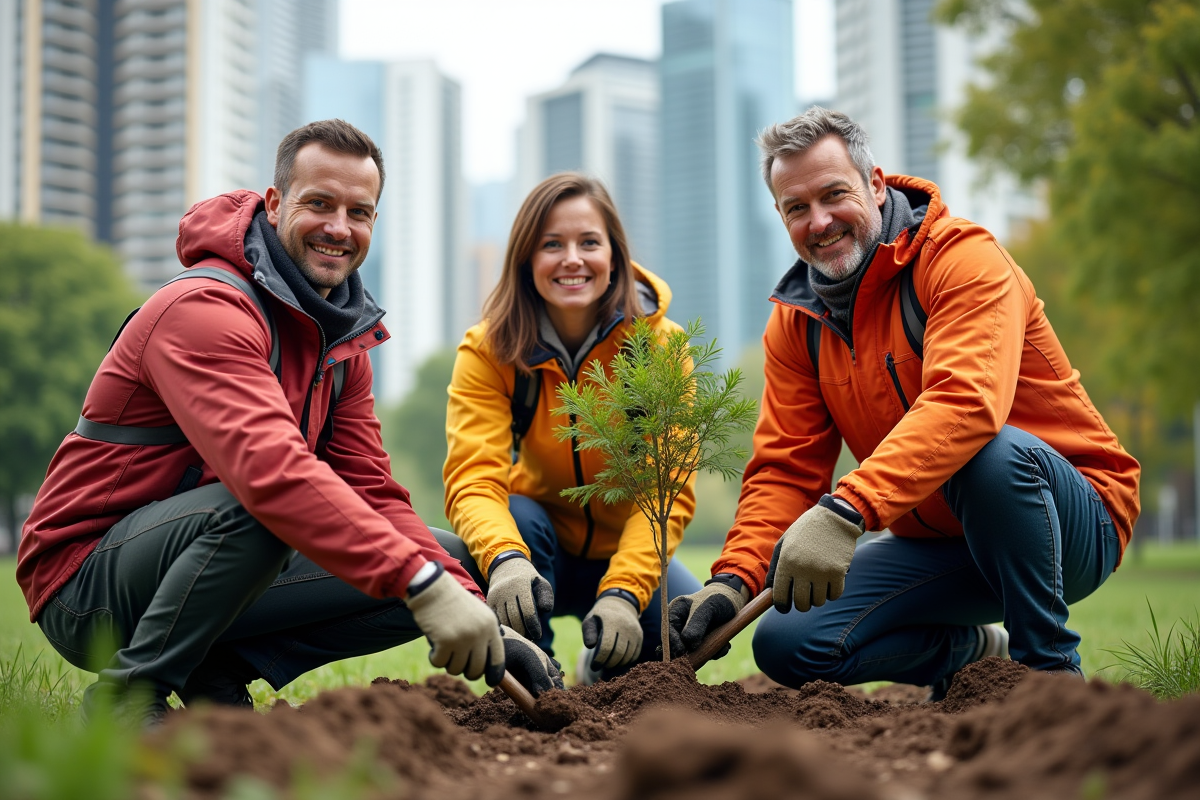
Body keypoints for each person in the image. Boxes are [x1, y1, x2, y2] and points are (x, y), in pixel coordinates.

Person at [16, 120, 560, 726]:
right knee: (273, 510)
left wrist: (460, 594)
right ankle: (126, 700)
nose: (339, 228)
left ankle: (212, 673)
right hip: (87, 583)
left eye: (360, 212)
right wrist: (420, 583)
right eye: (319, 204)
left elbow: (372, 492)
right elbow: (271, 473)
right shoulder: (203, 310)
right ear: (275, 205)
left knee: (442, 553)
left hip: (201, 555)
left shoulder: (340, 344)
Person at [667, 107, 1140, 696]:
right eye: (796, 208)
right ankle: (968, 657)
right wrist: (734, 580)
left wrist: (846, 511)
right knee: (788, 644)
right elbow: (786, 468)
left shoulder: (962, 260)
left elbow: (965, 405)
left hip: (1070, 524)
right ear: (781, 216)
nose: (819, 221)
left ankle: (1048, 678)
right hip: (940, 544)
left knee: (988, 453)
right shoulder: (795, 326)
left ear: (875, 183)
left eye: (834, 194)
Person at [441, 173, 702, 684]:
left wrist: (625, 592)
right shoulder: (488, 350)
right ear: (526, 260)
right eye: (551, 245)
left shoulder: (660, 347)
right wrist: (504, 560)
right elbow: (474, 479)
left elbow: (666, 490)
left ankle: (600, 667)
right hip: (538, 551)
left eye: (589, 242)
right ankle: (540, 677)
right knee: (516, 514)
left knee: (686, 634)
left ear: (615, 256)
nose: (572, 259)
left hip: (628, 548)